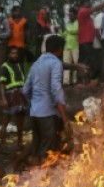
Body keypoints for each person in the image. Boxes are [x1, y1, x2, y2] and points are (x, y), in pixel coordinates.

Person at [22, 35, 69, 164]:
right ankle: (45, 180)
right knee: (48, 151)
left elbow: (25, 90)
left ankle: (35, 181)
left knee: (36, 149)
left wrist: (33, 103)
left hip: (34, 112)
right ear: (60, 50)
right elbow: (56, 90)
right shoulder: (55, 63)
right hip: (48, 113)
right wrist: (65, 119)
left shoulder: (36, 64)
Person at [0, 46, 28, 149]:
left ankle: (19, 143)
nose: (15, 55)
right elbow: (2, 84)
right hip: (10, 95)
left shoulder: (19, 65)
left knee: (20, 120)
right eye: (12, 53)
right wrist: (3, 99)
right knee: (6, 120)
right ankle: (3, 144)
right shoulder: (4, 67)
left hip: (21, 94)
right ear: (8, 55)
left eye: (16, 53)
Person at [76, 0, 101, 86]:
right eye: (88, 2)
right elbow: (94, 9)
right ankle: (83, 80)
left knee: (88, 61)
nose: (90, 4)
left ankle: (85, 79)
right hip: (84, 42)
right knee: (86, 61)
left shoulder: (88, 16)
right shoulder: (82, 11)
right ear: (84, 3)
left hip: (88, 41)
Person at [61, 7, 79, 85]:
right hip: (66, 47)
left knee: (75, 64)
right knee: (66, 64)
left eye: (71, 15)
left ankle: (75, 81)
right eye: (69, 15)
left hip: (75, 46)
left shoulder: (77, 23)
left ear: (75, 15)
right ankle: (66, 81)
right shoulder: (68, 24)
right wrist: (62, 30)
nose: (70, 17)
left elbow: (75, 31)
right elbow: (64, 35)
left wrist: (67, 29)